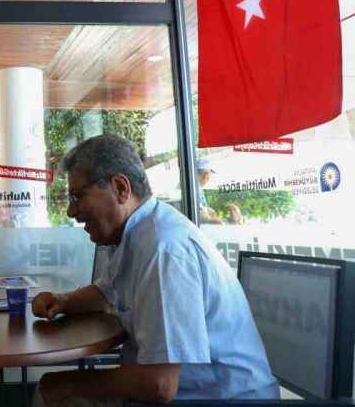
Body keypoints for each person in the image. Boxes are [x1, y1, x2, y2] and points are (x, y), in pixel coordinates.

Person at [31, 134, 278, 407]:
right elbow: (105, 293)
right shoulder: (137, 233)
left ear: (120, 188)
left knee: (53, 393)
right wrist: (62, 300)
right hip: (188, 392)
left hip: (217, 398)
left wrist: (67, 384)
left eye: (78, 196)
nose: (70, 211)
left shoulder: (163, 249)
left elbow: (160, 385)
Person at [196, 158, 224, 225]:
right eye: (209, 176)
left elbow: (200, 207)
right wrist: (213, 220)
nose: (209, 179)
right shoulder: (194, 189)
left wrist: (209, 210)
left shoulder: (196, 187)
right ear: (205, 175)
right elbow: (198, 214)